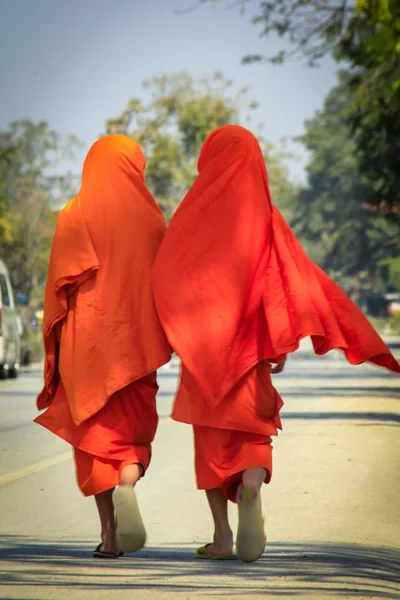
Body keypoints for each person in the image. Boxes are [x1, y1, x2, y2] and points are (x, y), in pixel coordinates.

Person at [151, 125, 400, 563]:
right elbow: (288, 284)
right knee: (253, 434)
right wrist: (278, 346)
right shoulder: (268, 221)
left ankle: (223, 537)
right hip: (250, 356)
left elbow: (165, 275)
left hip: (202, 356)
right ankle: (249, 488)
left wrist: (175, 335)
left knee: (210, 445)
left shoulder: (189, 218)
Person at [35, 135, 171, 558]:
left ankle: (109, 537)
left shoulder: (76, 213)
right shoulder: (153, 221)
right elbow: (167, 285)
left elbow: (59, 286)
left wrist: (55, 342)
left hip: (87, 348)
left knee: (94, 437)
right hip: (137, 344)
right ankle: (127, 484)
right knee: (129, 435)